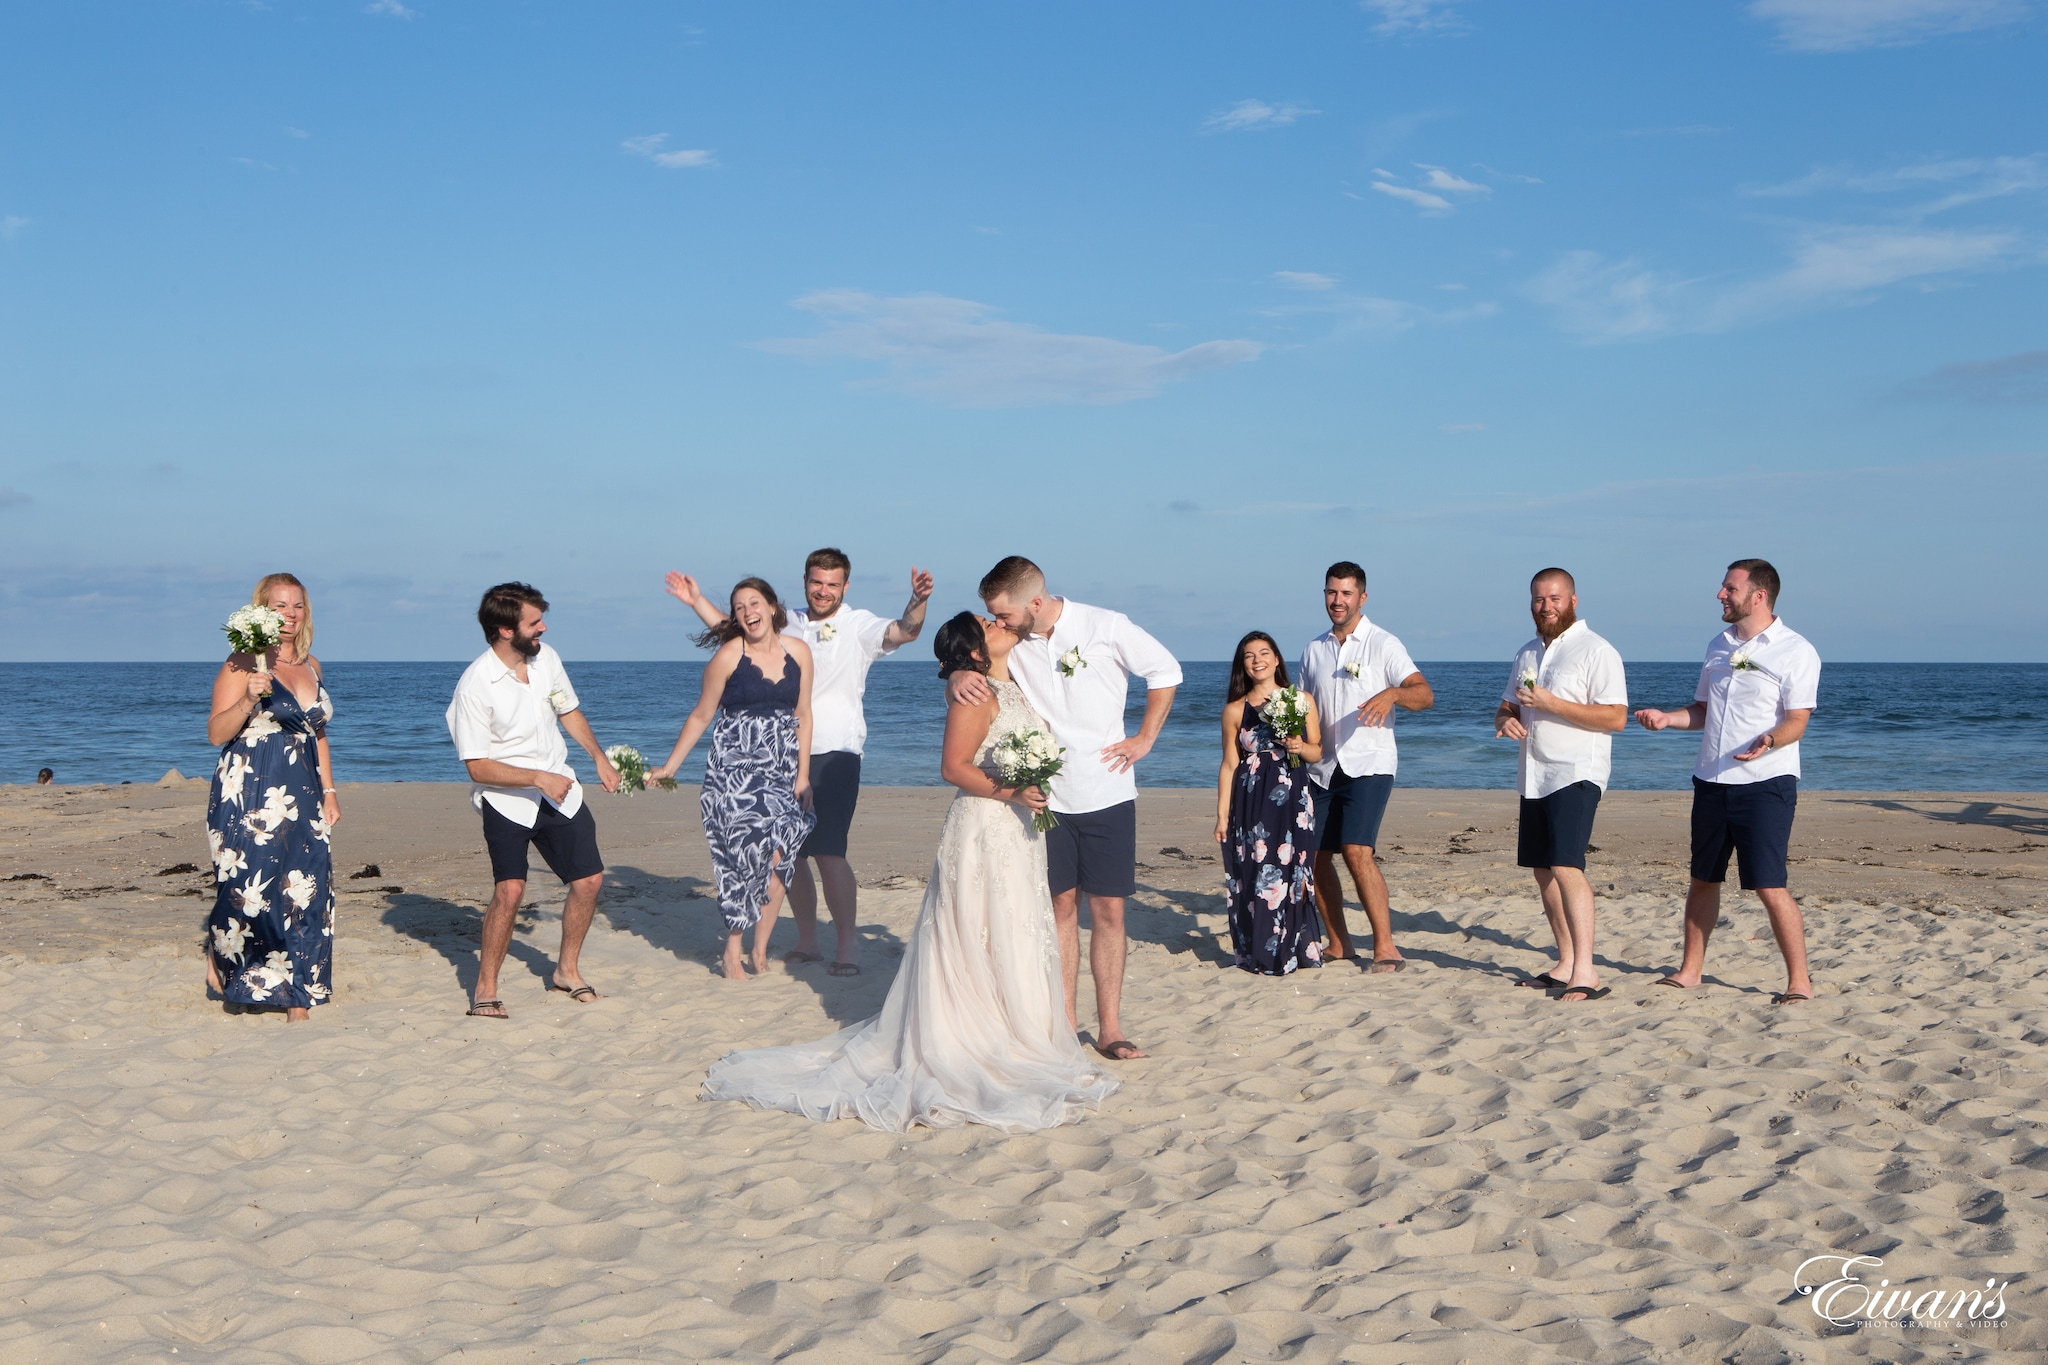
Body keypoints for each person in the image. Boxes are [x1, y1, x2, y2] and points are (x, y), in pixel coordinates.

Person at [702, 612, 1117, 1131]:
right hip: (986, 827)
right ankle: (973, 1042)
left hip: (1020, 832)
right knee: (974, 932)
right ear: (973, 651)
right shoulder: (976, 692)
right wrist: (1014, 789)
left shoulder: (1018, 680)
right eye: (988, 622)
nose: (999, 622)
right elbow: (952, 768)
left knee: (1012, 931)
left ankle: (1017, 1032)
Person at [951, 556, 1181, 1062]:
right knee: (1058, 909)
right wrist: (953, 679)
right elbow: (971, 663)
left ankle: (1111, 1028)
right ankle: (1065, 1025)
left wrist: (1145, 738)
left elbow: (1166, 671)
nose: (1000, 623)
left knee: (1109, 912)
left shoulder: (1106, 625)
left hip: (1108, 793)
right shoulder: (1014, 643)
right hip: (1046, 800)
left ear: (1034, 603)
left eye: (1004, 614)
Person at [666, 549, 933, 976]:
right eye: (816, 582)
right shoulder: (786, 619)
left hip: (835, 751)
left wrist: (917, 599)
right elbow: (738, 634)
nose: (823, 590)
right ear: (805, 581)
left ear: (845, 587)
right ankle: (808, 940)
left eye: (832, 584)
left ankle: (847, 946)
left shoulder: (857, 624)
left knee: (829, 852)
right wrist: (696, 600)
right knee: (791, 854)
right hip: (781, 756)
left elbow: (904, 631)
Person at [1634, 559, 1821, 1004]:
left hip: (1765, 783)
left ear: (1759, 595)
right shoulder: (1718, 645)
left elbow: (1798, 720)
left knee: (1769, 885)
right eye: (1722, 587)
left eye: (1729, 588)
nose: (1721, 594)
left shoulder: (1796, 650)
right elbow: (1701, 712)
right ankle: (1690, 971)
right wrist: (1667, 719)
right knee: (1703, 878)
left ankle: (1799, 983)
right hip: (1711, 781)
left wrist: (1770, 740)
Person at [446, 583, 621, 1020]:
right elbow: (477, 766)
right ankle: (486, 988)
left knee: (589, 881)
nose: (543, 627)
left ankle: (566, 970)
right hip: (506, 799)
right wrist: (536, 777)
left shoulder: (548, 659)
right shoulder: (474, 685)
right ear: (506, 630)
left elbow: (567, 710)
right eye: (534, 621)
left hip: (560, 789)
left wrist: (598, 757)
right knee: (510, 892)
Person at [648, 578, 816, 982]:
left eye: (753, 603)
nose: (747, 612)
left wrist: (803, 777)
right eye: (739, 607)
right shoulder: (727, 657)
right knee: (743, 857)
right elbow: (702, 715)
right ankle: (733, 948)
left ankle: (760, 948)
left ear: (773, 607)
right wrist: (671, 767)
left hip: (781, 769)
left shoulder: (800, 652)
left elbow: (804, 715)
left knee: (780, 856)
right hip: (734, 771)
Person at [203, 572, 340, 1020]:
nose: (290, 615)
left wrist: (331, 792)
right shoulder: (242, 662)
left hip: (302, 791)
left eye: (297, 606)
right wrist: (247, 699)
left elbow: (316, 735)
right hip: (249, 789)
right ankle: (229, 961)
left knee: (304, 890)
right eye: (280, 606)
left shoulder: (312, 664)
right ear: (262, 610)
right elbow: (216, 733)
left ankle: (296, 991)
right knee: (252, 890)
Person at [1493, 569, 1628, 1003]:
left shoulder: (1597, 650)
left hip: (1576, 771)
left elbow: (1616, 718)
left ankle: (1586, 971)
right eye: (1538, 599)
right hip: (1533, 774)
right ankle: (1565, 961)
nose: (1546, 606)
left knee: (1568, 866)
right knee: (1542, 869)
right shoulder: (1527, 653)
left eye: (1554, 598)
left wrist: (1552, 703)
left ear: (1572, 600)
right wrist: (1506, 720)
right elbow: (1506, 705)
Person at [1296, 561, 1433, 971]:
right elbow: (1305, 707)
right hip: (1321, 767)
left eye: (1346, 593)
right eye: (1331, 593)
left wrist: (1392, 694)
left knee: (1357, 851)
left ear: (1362, 598)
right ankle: (1340, 944)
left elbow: (1424, 695)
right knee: (1314, 857)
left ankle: (1386, 947)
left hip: (1369, 764)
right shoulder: (1313, 649)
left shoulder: (1383, 644)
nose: (1338, 601)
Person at [1214, 631, 1324, 975]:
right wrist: (1221, 815)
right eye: (1249, 655)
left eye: (1264, 652)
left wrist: (1297, 746)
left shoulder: (1300, 699)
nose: (1257, 659)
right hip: (1251, 799)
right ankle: (1260, 952)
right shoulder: (1235, 709)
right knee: (1255, 869)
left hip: (1293, 796)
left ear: (1277, 659)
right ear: (1243, 665)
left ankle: (1294, 950)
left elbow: (1317, 751)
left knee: (1294, 870)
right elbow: (1230, 764)